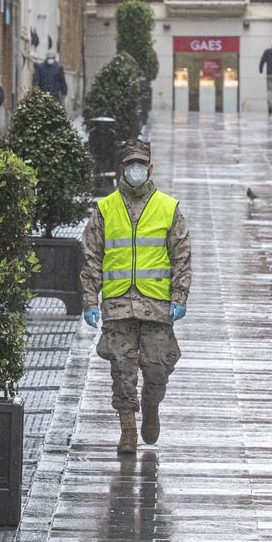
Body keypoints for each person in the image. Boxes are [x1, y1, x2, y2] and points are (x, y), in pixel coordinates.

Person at [80, 139, 191, 456]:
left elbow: (181, 256)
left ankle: (152, 406)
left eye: (141, 165)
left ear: (150, 168)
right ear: (122, 169)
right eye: (131, 165)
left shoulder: (168, 209)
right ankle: (127, 431)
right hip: (117, 307)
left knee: (157, 368)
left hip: (156, 305)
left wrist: (179, 296)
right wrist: (90, 300)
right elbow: (91, 258)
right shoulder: (105, 209)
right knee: (122, 370)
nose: (136, 170)